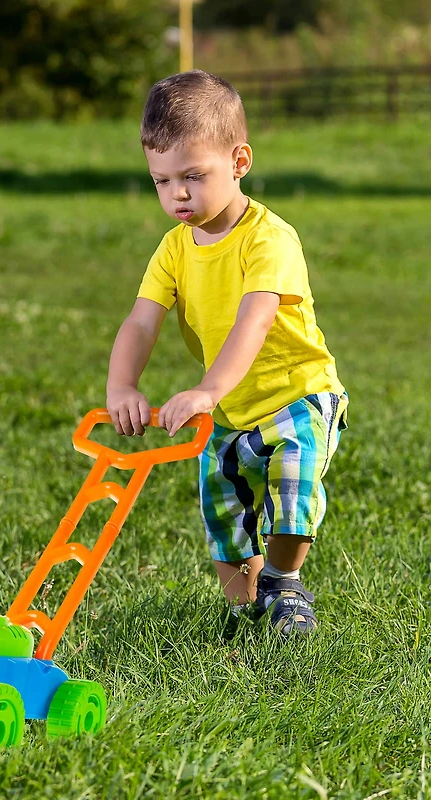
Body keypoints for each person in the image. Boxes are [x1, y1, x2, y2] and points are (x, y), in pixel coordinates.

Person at [106, 70, 348, 636]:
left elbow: (254, 318)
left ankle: (284, 585)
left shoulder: (269, 238)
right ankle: (246, 611)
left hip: (298, 396)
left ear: (239, 161)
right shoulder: (173, 248)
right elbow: (142, 321)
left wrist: (207, 389)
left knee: (292, 487)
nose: (178, 195)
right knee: (223, 511)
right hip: (229, 407)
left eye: (194, 176)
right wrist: (122, 386)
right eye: (162, 182)